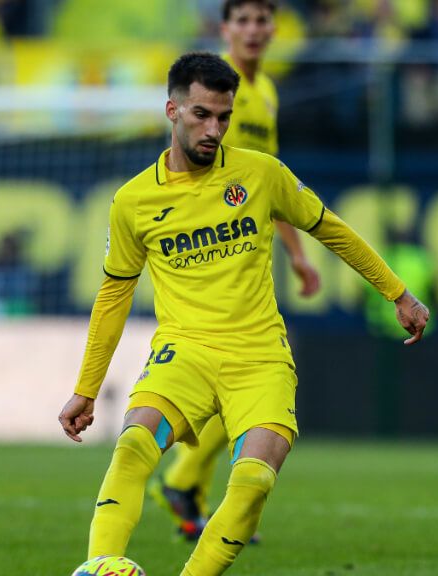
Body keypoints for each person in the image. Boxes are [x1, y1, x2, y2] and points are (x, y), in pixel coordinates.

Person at [58, 52, 429, 575]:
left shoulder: (260, 174)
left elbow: (331, 228)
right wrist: (87, 387)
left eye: (224, 117)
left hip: (259, 356)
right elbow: (114, 295)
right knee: (133, 443)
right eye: (202, 115)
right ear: (172, 110)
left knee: (254, 480)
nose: (215, 129)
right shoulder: (133, 201)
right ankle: (101, 567)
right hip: (183, 350)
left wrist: (398, 293)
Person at [151, 0, 321, 542]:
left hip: (250, 254)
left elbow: (272, 185)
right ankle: (183, 479)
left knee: (255, 371)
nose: (254, 30)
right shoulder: (212, 90)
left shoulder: (265, 92)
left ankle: (184, 481)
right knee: (247, 369)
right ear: (225, 29)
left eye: (262, 20)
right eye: (242, 20)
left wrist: (295, 252)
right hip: (210, 255)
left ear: (274, 29)